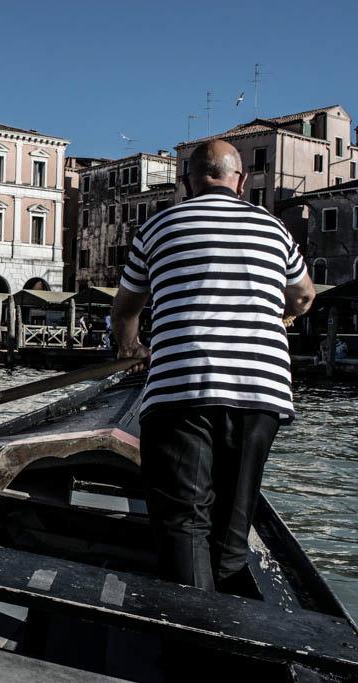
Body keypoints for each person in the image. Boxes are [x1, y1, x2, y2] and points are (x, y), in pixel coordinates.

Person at [111, 139, 316, 593]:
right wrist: (283, 314)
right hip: (261, 392)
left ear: (186, 183)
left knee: (184, 522)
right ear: (240, 181)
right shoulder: (274, 229)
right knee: (232, 523)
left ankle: (190, 639)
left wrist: (131, 346)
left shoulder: (158, 227)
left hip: (181, 388)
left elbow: (126, 306)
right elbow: (304, 295)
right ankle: (223, 632)